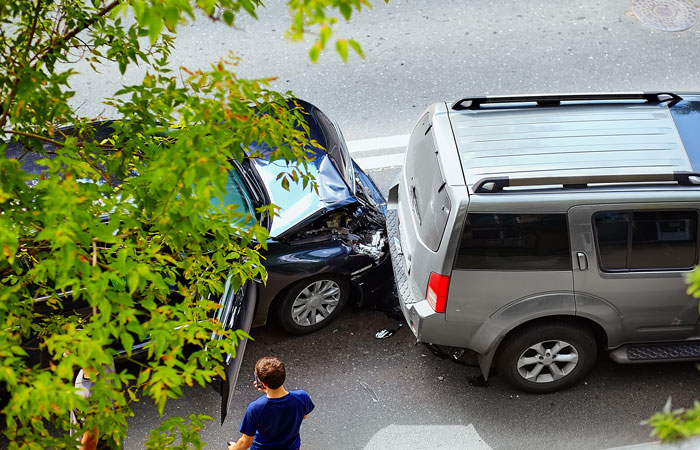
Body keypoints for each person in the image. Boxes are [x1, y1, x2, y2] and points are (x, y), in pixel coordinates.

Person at [228, 356, 314, 450]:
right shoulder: (301, 397)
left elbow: (246, 441)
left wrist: (233, 448)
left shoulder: (256, 408)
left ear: (263, 383)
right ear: (283, 376)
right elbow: (304, 415)